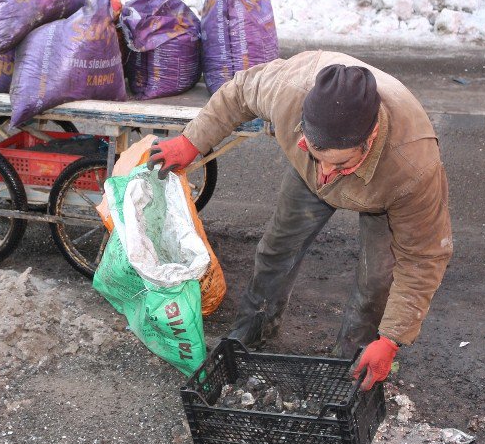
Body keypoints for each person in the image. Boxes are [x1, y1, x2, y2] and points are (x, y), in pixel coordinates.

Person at [147, 52, 453, 391]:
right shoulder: (290, 90)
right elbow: (238, 91)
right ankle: (254, 329)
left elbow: (423, 258)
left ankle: (352, 359)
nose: (327, 175)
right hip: (304, 175)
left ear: (370, 139)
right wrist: (193, 140)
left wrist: (392, 338)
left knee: (377, 281)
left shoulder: (413, 168)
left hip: (383, 191)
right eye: (316, 153)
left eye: (340, 165)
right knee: (277, 248)